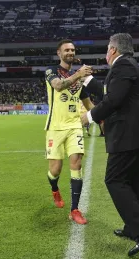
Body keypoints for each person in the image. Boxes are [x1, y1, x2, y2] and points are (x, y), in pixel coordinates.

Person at [81, 33, 139, 257]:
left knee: (114, 179)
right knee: (135, 182)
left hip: (129, 135)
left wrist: (89, 117)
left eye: (107, 48)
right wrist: (88, 81)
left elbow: (113, 100)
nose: (106, 53)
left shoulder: (123, 65)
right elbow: (114, 94)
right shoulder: (128, 66)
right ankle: (134, 228)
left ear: (113, 49)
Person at [44, 39, 96, 225]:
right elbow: (58, 86)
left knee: (76, 163)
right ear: (59, 53)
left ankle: (74, 209)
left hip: (75, 126)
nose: (70, 52)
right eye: (66, 50)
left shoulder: (79, 79)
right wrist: (78, 75)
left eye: (72, 50)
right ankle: (55, 189)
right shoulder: (51, 71)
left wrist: (105, 116)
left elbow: (89, 105)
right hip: (55, 128)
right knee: (55, 170)